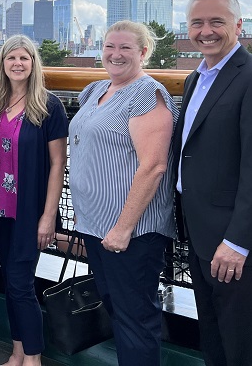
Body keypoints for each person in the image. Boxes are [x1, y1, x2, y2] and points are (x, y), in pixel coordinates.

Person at [173, 0, 252, 366]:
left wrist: (237, 242)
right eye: (197, 23)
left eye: (216, 22)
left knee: (245, 349)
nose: (206, 31)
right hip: (202, 235)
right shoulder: (196, 79)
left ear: (238, 26)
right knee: (215, 341)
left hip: (235, 244)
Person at [69, 21, 178, 366]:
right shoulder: (94, 89)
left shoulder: (148, 93)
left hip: (132, 231)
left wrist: (123, 227)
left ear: (144, 53)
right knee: (116, 309)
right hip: (95, 225)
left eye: (126, 48)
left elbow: (154, 166)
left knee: (135, 320)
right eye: (109, 46)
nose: (115, 55)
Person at [0, 35, 68, 366]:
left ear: (34, 64)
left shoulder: (49, 106)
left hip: (29, 213)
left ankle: (33, 359)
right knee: (11, 284)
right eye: (11, 58)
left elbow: (58, 164)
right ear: (2, 64)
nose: (17, 63)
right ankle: (17, 353)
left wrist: (48, 217)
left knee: (20, 285)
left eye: (24, 58)